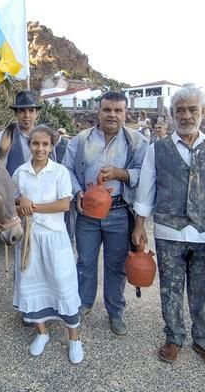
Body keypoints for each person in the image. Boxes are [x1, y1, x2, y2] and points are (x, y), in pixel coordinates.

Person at [131, 85, 205, 371]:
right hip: (168, 233)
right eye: (180, 111)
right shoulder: (157, 150)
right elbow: (146, 190)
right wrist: (140, 225)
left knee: (201, 290)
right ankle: (174, 337)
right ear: (172, 115)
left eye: (192, 110)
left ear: (202, 113)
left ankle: (203, 340)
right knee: (170, 290)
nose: (186, 115)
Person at [62, 91, 148, 336]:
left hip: (120, 212)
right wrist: (78, 192)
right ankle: (84, 304)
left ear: (125, 113)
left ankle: (115, 311)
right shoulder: (80, 140)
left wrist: (121, 174)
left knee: (116, 265)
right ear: (98, 112)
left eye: (118, 110)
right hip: (87, 212)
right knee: (85, 262)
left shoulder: (137, 141)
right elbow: (66, 169)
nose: (112, 115)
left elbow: (146, 173)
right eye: (107, 110)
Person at [12, 125, 84, 364]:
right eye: (35, 144)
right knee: (31, 281)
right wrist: (18, 200)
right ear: (29, 145)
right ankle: (41, 333)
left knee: (63, 284)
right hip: (29, 238)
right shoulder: (20, 172)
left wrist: (32, 207)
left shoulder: (60, 171)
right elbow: (12, 200)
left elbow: (64, 204)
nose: (40, 148)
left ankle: (74, 339)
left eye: (45, 144)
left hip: (55, 238)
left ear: (52, 147)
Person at [0, 91, 48, 175]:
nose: (27, 115)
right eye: (22, 111)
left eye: (31, 111)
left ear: (37, 114)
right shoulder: (5, 137)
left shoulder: (46, 137)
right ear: (16, 113)